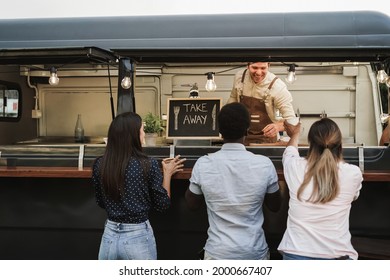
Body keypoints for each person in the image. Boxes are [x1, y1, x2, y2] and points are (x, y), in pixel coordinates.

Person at [185, 102, 281, 260]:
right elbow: (275, 206)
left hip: (217, 254)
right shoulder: (264, 164)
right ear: (247, 129)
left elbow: (192, 204)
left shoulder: (204, 164)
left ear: (219, 131)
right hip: (254, 254)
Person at [92, 112, 185, 260]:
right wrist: (167, 174)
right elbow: (163, 204)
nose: (143, 134)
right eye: (142, 130)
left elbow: (100, 202)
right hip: (138, 237)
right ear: (134, 135)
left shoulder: (100, 164)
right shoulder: (148, 164)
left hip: (109, 236)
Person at [278, 118, 363, 260]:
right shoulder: (353, 173)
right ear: (340, 144)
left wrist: (295, 134)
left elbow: (290, 152)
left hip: (296, 252)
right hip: (337, 255)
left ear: (311, 144)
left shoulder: (295, 167)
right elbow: (354, 196)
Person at [227, 62, 295, 145]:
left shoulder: (277, 87)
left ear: (268, 66)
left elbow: (292, 120)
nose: (258, 73)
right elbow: (232, 100)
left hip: (266, 142)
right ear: (247, 65)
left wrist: (278, 126)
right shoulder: (240, 77)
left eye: (263, 68)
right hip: (241, 139)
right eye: (254, 68)